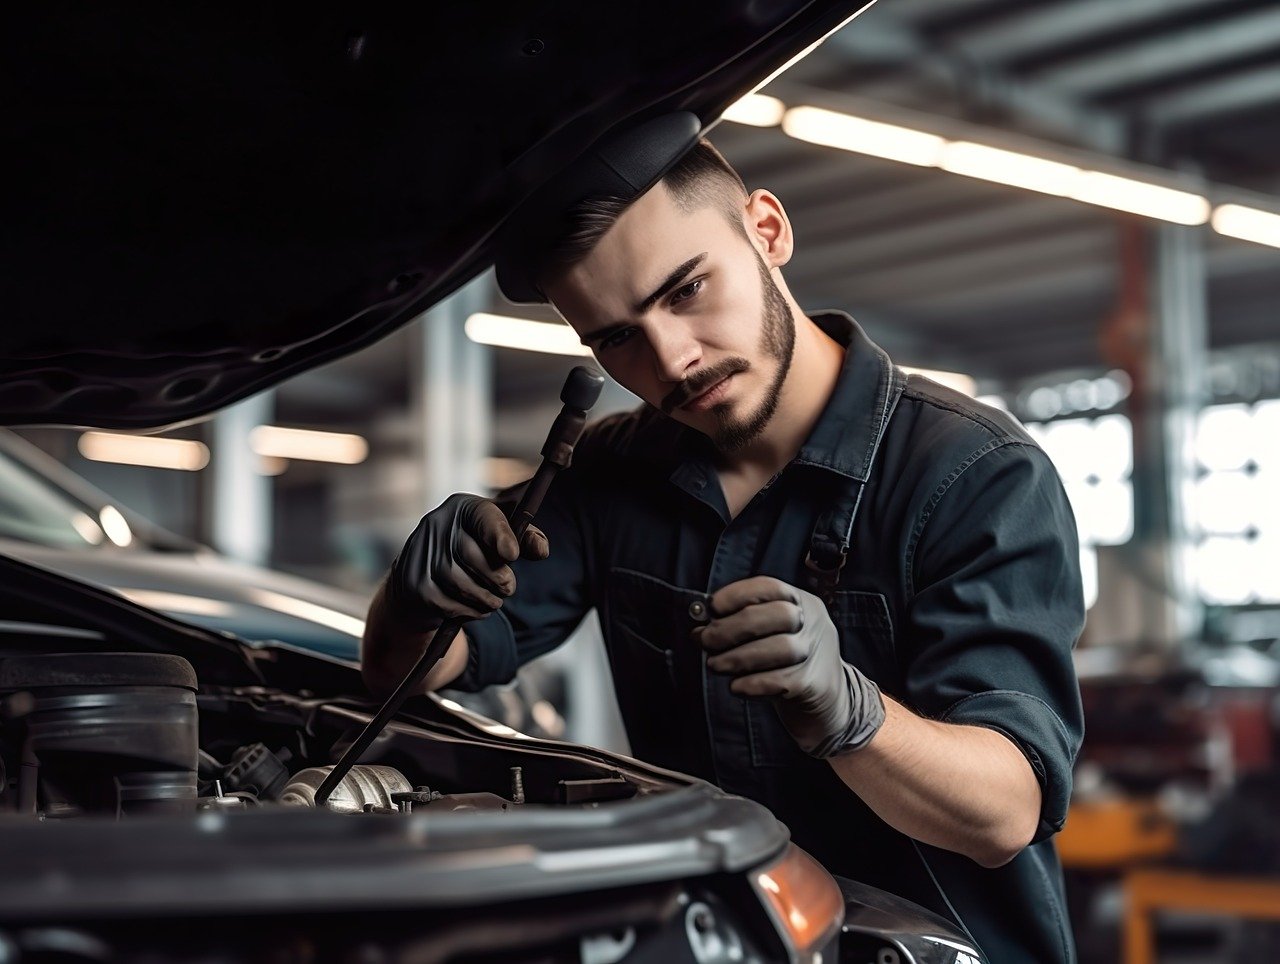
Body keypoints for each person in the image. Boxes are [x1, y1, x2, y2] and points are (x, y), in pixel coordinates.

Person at [363, 124, 1085, 963]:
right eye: (617, 337)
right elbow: (413, 669)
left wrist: (852, 713)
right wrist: (411, 600)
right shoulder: (610, 473)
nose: (672, 359)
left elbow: (1005, 812)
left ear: (767, 231)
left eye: (686, 290)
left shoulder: (974, 475)